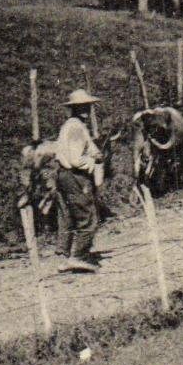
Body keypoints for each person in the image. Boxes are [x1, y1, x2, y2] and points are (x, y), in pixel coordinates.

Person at [44, 89, 104, 272]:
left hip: (62, 175)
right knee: (88, 216)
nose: (85, 110)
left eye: (87, 106)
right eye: (81, 107)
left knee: (66, 215)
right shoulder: (76, 128)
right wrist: (94, 161)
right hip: (74, 176)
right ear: (73, 109)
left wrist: (94, 152)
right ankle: (78, 256)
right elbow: (76, 160)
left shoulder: (71, 126)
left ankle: (63, 256)